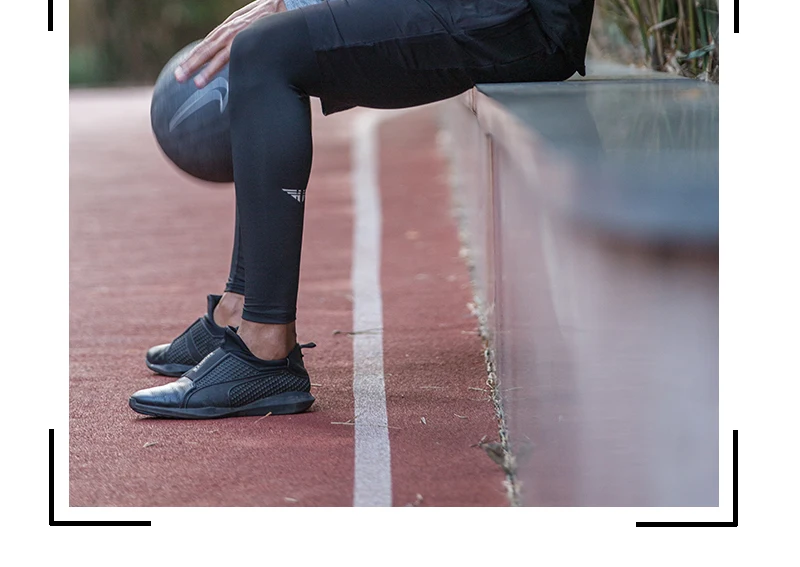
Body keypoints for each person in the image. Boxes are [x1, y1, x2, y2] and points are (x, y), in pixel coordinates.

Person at [128, 0, 595, 419]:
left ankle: (264, 346)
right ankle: (239, 307)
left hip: (522, 18)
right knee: (263, 43)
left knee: (267, 49)